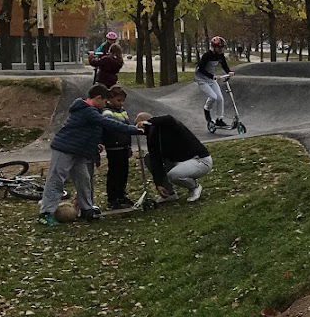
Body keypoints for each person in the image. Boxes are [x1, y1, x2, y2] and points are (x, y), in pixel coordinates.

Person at [38, 83, 143, 226]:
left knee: (84, 180)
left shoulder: (93, 111)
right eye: (105, 101)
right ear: (98, 98)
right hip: (65, 148)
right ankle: (46, 213)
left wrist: (96, 144)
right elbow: (108, 123)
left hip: (80, 152)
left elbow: (92, 130)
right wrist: (133, 129)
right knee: (57, 179)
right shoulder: (87, 110)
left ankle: (86, 208)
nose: (105, 104)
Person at [136, 112, 212, 202]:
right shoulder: (151, 138)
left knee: (173, 175)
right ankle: (169, 193)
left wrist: (148, 122)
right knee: (149, 157)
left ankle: (194, 187)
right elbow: (155, 160)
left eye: (141, 126)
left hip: (199, 160)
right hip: (180, 161)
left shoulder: (167, 125)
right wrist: (159, 183)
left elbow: (169, 118)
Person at [101, 86, 134, 209]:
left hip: (124, 146)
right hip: (113, 147)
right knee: (114, 173)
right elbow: (110, 125)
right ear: (110, 99)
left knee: (123, 172)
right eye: (118, 100)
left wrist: (129, 146)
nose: (121, 103)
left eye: (122, 101)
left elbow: (127, 128)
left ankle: (121, 194)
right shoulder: (107, 112)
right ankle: (112, 198)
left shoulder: (123, 111)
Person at [195, 35, 234, 130]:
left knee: (220, 98)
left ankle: (219, 120)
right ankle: (206, 109)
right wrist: (212, 76)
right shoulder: (207, 55)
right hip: (201, 79)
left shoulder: (220, 55)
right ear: (214, 47)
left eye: (222, 48)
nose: (221, 50)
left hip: (211, 79)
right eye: (219, 47)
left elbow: (224, 64)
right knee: (213, 96)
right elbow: (200, 69)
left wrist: (228, 72)